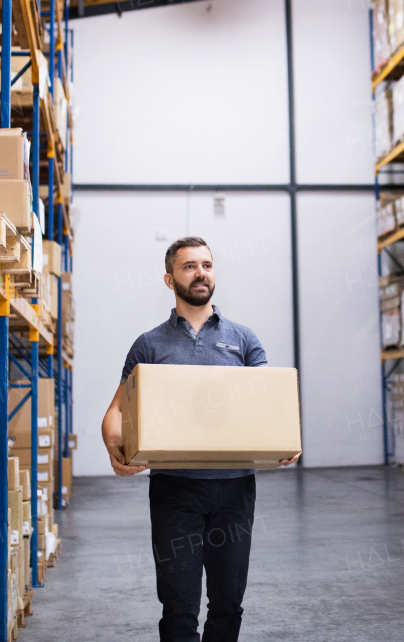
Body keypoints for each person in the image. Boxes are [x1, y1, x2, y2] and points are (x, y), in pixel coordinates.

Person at [101, 236, 299, 642]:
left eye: (207, 265)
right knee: (179, 608)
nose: (200, 273)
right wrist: (113, 448)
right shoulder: (149, 344)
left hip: (234, 490)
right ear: (169, 278)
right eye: (189, 266)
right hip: (175, 490)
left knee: (228, 604)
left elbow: (268, 404)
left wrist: (285, 439)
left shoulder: (243, 340)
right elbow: (117, 411)